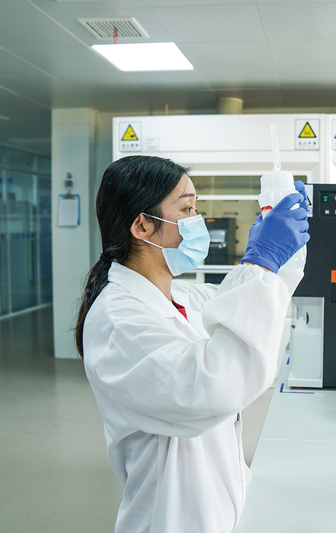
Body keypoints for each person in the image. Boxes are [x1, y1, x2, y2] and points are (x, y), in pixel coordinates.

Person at [75, 155, 310, 533]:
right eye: (186, 209)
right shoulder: (117, 320)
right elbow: (212, 386)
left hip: (217, 506)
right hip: (171, 520)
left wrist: (283, 247)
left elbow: (264, 304)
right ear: (142, 225)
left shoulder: (184, 296)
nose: (197, 221)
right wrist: (261, 262)